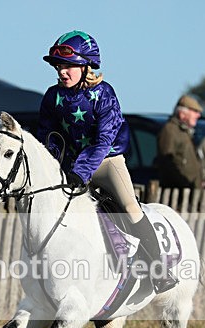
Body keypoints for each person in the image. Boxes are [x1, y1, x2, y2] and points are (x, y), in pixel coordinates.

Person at [35, 30, 177, 293]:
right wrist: (55, 165)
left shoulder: (104, 94)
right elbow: (47, 137)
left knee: (130, 208)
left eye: (68, 66)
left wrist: (80, 171)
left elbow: (102, 142)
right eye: (58, 66)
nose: (61, 72)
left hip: (107, 161)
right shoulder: (52, 96)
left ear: (86, 66)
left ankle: (160, 270)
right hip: (75, 167)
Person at [156, 95, 205, 189]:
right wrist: (183, 183)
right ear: (182, 113)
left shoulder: (184, 132)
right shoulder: (170, 130)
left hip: (190, 192)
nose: (198, 115)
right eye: (194, 111)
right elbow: (166, 162)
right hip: (177, 192)